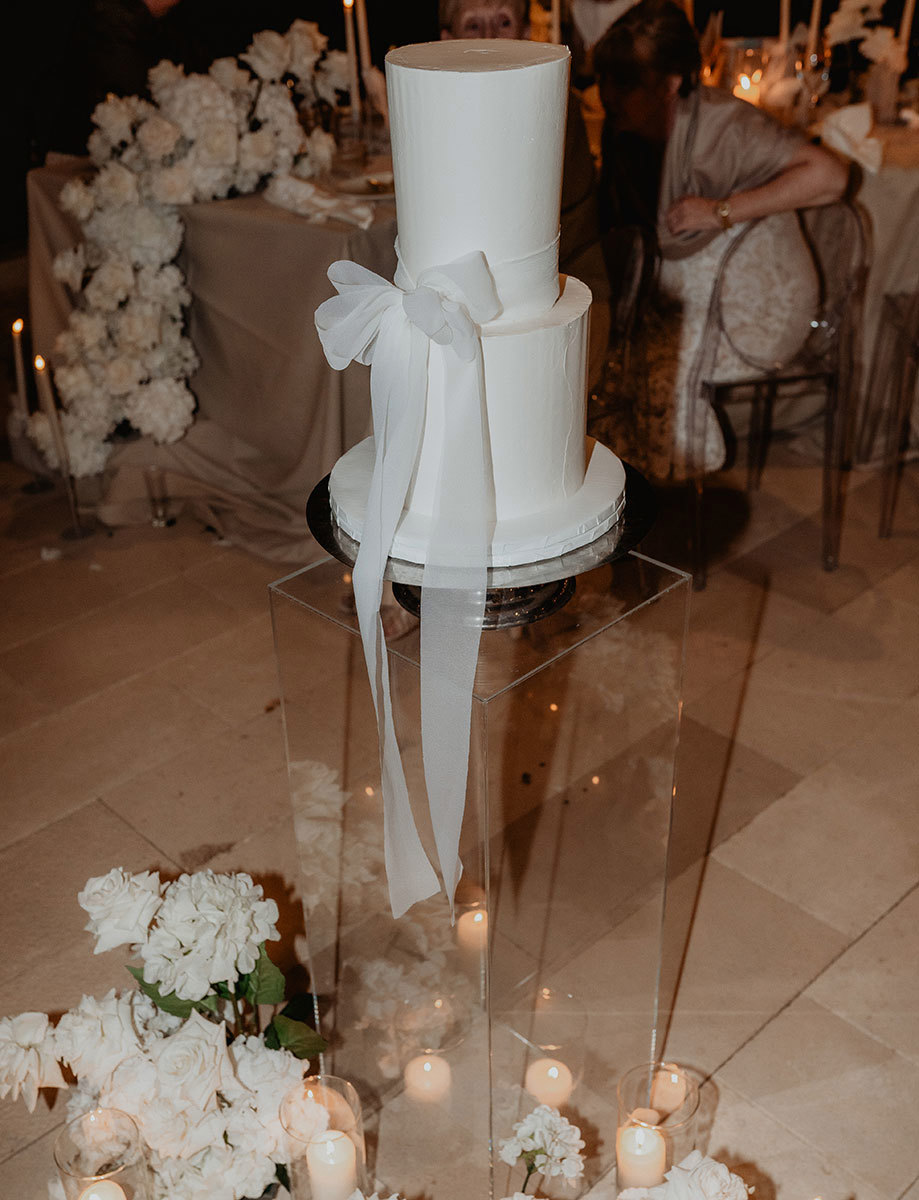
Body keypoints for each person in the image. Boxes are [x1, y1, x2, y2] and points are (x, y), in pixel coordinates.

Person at [591, 0, 849, 479]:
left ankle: (661, 488)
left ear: (670, 83)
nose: (607, 94)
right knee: (599, 343)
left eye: (624, 83)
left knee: (641, 358)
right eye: (604, 79)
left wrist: (721, 211)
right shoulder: (624, 128)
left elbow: (831, 176)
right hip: (690, 291)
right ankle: (630, 486)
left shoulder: (725, 121)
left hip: (760, 299)